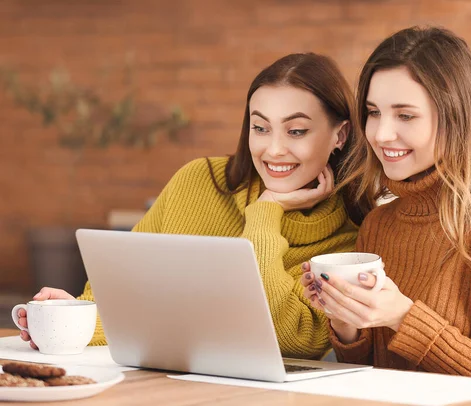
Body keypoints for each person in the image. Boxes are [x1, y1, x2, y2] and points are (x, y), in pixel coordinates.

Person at [18, 52, 367, 360]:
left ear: (340, 135)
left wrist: (266, 211)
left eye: (296, 131)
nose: (273, 150)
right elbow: (123, 288)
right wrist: (73, 319)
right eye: (260, 127)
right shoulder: (199, 181)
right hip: (159, 378)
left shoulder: (348, 244)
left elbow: (296, 342)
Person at [302, 26, 471, 383]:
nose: (380, 134)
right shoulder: (379, 225)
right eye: (374, 112)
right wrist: (346, 320)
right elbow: (370, 374)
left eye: (405, 115)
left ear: (455, 118)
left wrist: (404, 317)